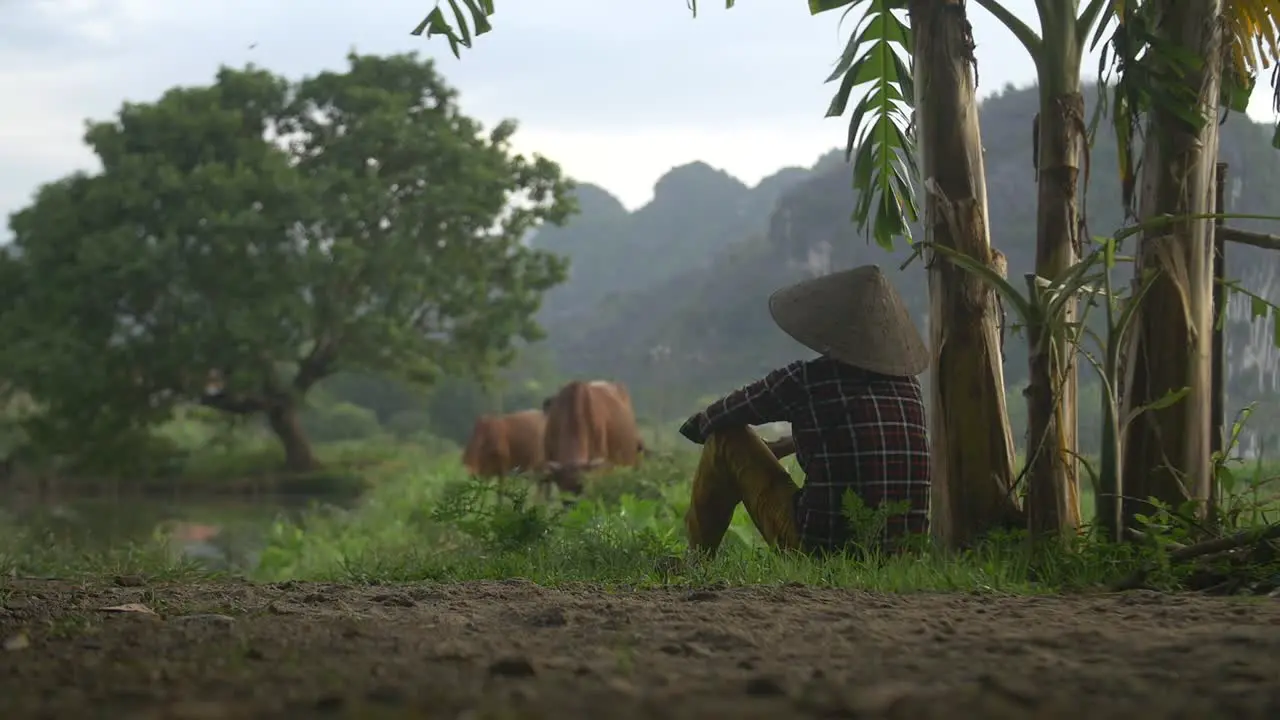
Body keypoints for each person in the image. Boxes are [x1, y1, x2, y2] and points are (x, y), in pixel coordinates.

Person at [678, 264, 931, 556]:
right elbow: (859, 439)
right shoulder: (909, 387)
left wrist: (714, 437)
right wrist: (783, 445)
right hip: (903, 553)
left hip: (822, 550)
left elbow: (715, 418)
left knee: (724, 438)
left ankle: (696, 557)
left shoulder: (807, 380)